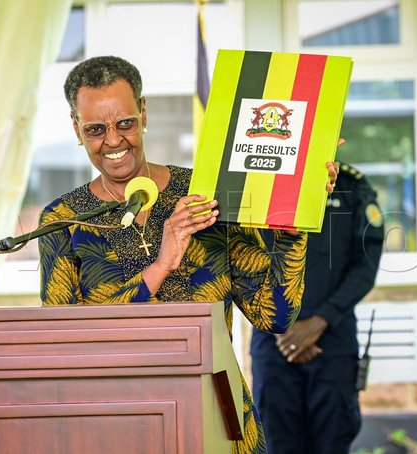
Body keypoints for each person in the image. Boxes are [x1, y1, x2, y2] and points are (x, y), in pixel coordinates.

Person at [38, 55, 338, 454]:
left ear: (143, 113)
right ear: (77, 129)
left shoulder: (208, 195)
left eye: (125, 123)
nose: (112, 141)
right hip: (117, 427)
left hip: (218, 417)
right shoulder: (63, 220)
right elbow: (66, 345)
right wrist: (162, 265)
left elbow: (273, 316)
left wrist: (293, 225)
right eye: (96, 129)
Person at [249, 162, 385, 454]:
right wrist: (281, 328)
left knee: (333, 439)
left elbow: (365, 267)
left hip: (332, 339)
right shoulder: (257, 180)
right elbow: (243, 258)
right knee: (276, 441)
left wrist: (320, 320)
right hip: (273, 339)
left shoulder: (352, 185)